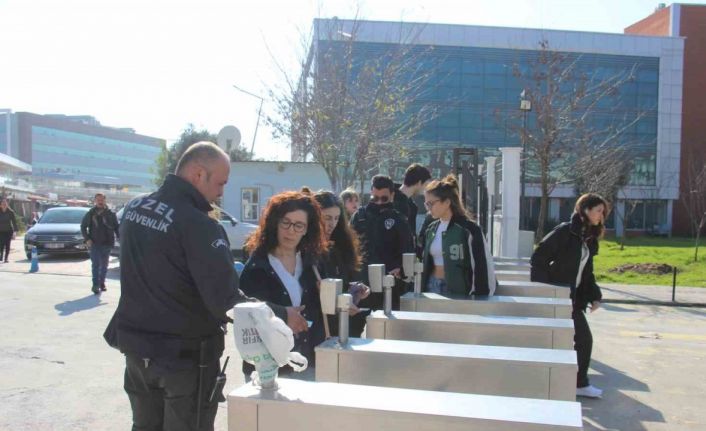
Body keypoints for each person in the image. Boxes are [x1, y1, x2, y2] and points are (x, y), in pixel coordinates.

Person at [104, 142, 306, 431]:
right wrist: (283, 314)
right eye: (221, 183)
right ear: (198, 174)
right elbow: (227, 300)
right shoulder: (200, 225)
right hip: (184, 358)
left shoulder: (136, 208)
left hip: (137, 351)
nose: (221, 192)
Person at [239, 191, 329, 377]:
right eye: (285, 222)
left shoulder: (314, 263)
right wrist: (282, 316)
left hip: (308, 361)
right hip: (267, 368)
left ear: (306, 229)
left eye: (299, 225)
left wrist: (332, 297)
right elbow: (245, 311)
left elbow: (324, 311)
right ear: (275, 223)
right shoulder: (258, 265)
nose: (291, 231)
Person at [531, 193, 607, 399]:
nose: (601, 216)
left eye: (603, 212)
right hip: (559, 298)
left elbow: (586, 272)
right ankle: (577, 384)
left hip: (573, 300)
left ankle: (576, 383)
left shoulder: (588, 238)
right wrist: (549, 290)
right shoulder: (565, 231)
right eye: (598, 211)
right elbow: (538, 258)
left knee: (581, 340)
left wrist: (595, 296)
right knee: (583, 340)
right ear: (585, 210)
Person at [420, 175, 495, 297]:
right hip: (431, 286)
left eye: (431, 203)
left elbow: (482, 265)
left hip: (459, 290)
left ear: (447, 202)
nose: (428, 208)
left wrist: (481, 295)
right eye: (426, 204)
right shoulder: (431, 229)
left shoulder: (469, 229)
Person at [350, 174, 414, 310]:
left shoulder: (398, 219)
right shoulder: (360, 217)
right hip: (363, 283)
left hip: (389, 284)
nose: (379, 202)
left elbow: (408, 250)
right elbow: (349, 247)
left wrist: (401, 269)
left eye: (384, 198)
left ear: (392, 195)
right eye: (375, 198)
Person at [312, 190, 370, 337]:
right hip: (318, 328)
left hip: (341, 326)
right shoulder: (306, 250)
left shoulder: (339, 246)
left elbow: (344, 280)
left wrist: (355, 289)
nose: (332, 224)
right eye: (327, 218)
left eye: (336, 218)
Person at [81, 193, 119, 294]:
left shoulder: (111, 214)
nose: (100, 201)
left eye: (102, 199)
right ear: (95, 201)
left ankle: (102, 283)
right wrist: (87, 239)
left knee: (104, 266)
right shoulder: (91, 213)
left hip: (107, 243)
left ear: (105, 200)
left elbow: (116, 228)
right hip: (94, 243)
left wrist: (121, 239)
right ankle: (95, 285)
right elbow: (83, 227)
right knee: (96, 265)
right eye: (98, 200)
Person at [393, 163, 431, 240]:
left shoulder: (412, 206)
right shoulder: (388, 199)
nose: (425, 189)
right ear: (419, 182)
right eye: (426, 185)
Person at [0, 197, 18, 263]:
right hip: (1, 231)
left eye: (5, 203)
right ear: (0, 204)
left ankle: (6, 258)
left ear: (7, 204)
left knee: (7, 244)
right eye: (3, 203)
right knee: (1, 244)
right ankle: (1, 256)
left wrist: (15, 232)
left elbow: (14, 222)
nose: (4, 204)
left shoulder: (10, 212)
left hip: (8, 231)